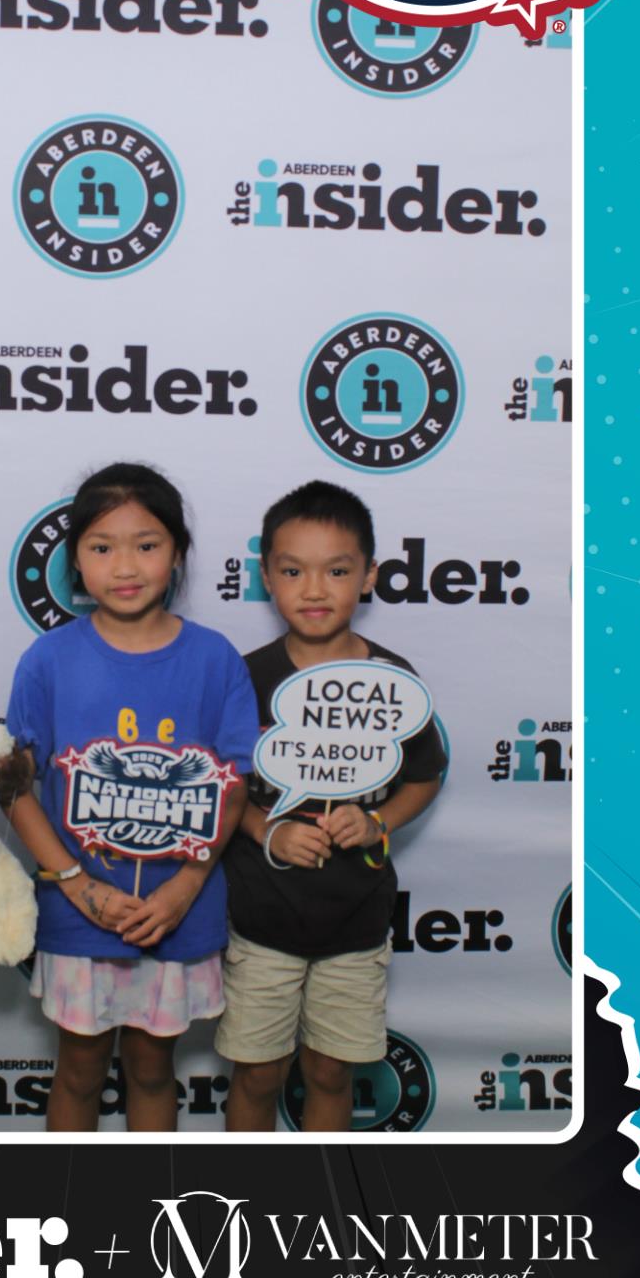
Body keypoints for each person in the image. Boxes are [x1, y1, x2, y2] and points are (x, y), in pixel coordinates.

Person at [4, 462, 259, 1133]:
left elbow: (234, 786)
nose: (125, 566)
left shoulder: (215, 659)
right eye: (101, 547)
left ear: (177, 554)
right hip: (78, 914)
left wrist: (188, 885)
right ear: (75, 561)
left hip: (178, 914)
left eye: (146, 545)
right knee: (78, 1070)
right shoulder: (47, 660)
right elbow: (14, 788)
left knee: (151, 1069)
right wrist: (76, 884)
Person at [217, 481, 445, 1133]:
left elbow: (425, 775)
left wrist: (377, 823)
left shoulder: (395, 682)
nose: (314, 589)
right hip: (260, 920)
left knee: (329, 1073)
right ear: (266, 577)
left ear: (369, 576)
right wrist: (268, 830)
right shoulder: (242, 678)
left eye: (337, 571)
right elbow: (222, 787)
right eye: (293, 571)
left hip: (356, 922)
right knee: (257, 1075)